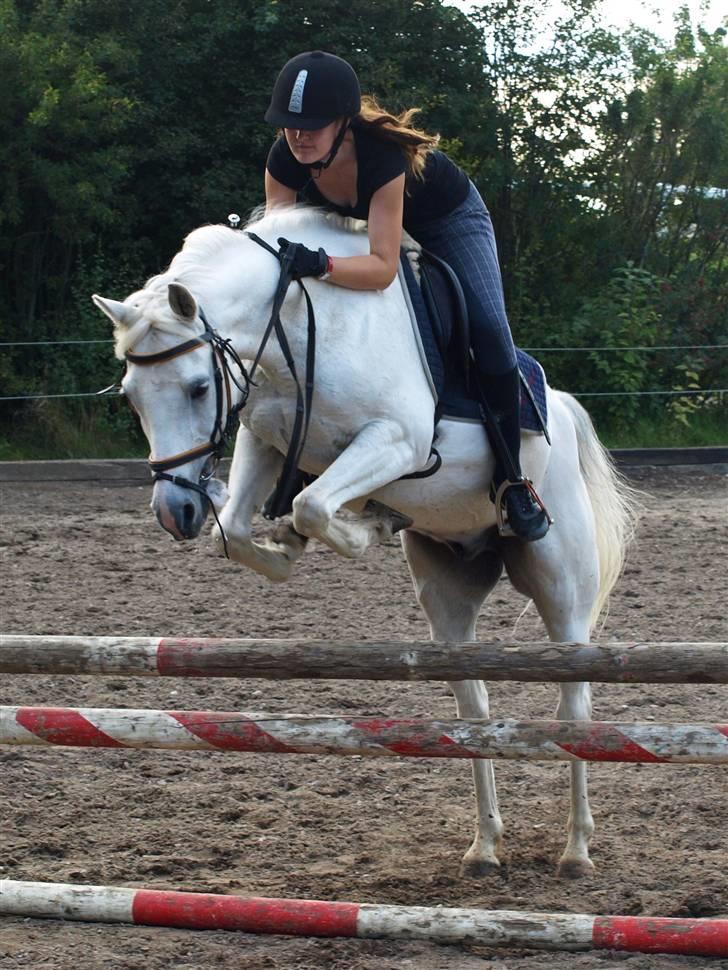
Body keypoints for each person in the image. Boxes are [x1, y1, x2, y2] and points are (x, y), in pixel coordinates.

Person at [263, 50, 549, 541]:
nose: (298, 135)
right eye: (290, 124)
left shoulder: (380, 156)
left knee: (489, 333)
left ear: (343, 123)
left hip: (449, 220)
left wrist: (323, 264)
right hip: (365, 227)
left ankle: (512, 481)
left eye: (312, 124)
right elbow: (277, 243)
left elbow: (380, 267)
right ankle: (299, 466)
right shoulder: (284, 160)